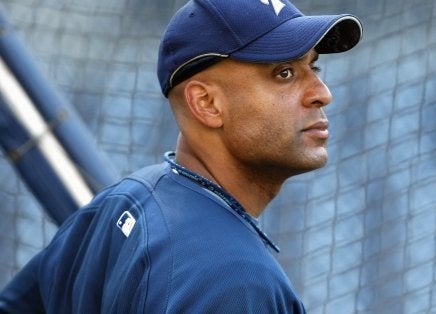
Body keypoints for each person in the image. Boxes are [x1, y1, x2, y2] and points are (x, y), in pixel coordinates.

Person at [0, 0, 362, 312]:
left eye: (313, 67)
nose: (322, 93)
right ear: (206, 104)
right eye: (284, 73)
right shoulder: (235, 280)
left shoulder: (124, 198)